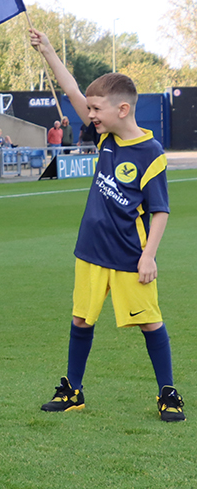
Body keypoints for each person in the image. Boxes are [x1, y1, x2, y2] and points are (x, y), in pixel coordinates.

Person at [29, 29, 183, 422]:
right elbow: (73, 90)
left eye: (96, 110)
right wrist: (48, 51)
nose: (89, 115)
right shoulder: (105, 139)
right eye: (90, 109)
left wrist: (149, 256)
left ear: (123, 110)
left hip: (131, 256)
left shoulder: (151, 154)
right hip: (91, 251)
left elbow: (160, 211)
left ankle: (167, 392)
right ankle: (73, 390)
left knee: (150, 323)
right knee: (81, 318)